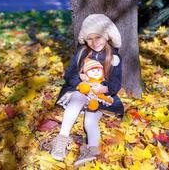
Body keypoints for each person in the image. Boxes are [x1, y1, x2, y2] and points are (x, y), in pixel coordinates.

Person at [51, 14, 124, 166]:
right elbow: (70, 75)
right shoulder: (81, 53)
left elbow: (116, 82)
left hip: (99, 96)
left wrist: (105, 88)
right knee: (75, 101)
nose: (94, 42)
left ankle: (92, 150)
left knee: (90, 121)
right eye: (90, 38)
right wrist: (80, 80)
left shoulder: (114, 57)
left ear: (106, 37)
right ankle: (62, 138)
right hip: (81, 90)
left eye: (98, 37)